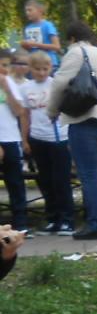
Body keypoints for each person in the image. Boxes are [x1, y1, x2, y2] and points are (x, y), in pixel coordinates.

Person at [48, 22, 97, 240]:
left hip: (86, 118)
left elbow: (59, 84)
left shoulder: (76, 52)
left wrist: (52, 111)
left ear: (72, 38)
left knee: (89, 175)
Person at [22, 52, 75, 235]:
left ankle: (67, 219)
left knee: (61, 180)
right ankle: (52, 218)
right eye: (37, 69)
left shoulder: (55, 85)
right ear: (31, 69)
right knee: (45, 180)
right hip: (38, 138)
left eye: (45, 69)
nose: (42, 73)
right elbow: (25, 116)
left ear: (51, 68)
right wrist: (25, 139)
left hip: (58, 138)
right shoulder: (27, 87)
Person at [0, 52, 28, 235]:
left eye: (7, 65)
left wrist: (7, 90)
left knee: (15, 182)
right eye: (2, 65)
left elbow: (19, 111)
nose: (5, 69)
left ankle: (21, 225)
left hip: (10, 138)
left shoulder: (9, 83)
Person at [20, 0, 60, 68]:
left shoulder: (48, 25)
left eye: (30, 10)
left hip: (49, 64)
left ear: (40, 11)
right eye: (26, 11)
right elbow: (30, 48)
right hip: (33, 64)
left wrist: (35, 44)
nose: (27, 13)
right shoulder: (27, 28)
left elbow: (57, 47)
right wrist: (24, 45)